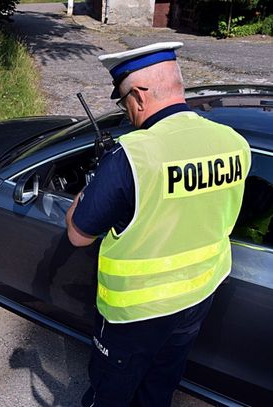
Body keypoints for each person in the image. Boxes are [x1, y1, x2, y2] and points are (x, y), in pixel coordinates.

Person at [65, 42, 251, 406]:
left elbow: (78, 234)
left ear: (138, 96)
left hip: (135, 315)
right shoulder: (234, 143)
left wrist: (89, 188)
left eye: (123, 102)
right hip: (198, 298)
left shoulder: (133, 155)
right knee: (157, 391)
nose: (126, 111)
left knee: (110, 396)